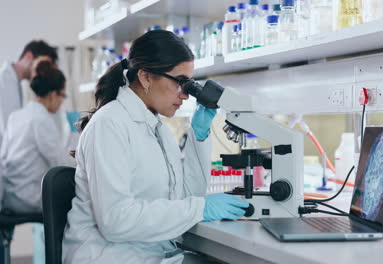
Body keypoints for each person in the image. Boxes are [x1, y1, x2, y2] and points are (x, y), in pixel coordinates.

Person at [62, 30, 249, 263]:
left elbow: (189, 196)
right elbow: (116, 221)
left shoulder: (157, 129)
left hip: (148, 253)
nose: (186, 95)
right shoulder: (109, 125)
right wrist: (200, 208)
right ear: (146, 77)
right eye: (181, 82)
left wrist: (198, 135)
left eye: (189, 84)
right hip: (108, 256)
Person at [0, 58, 75, 213]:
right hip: (29, 199)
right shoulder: (41, 119)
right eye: (62, 96)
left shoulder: (17, 116)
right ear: (53, 95)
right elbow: (60, 161)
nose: (62, 102)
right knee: (80, 202)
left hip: (10, 195)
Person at [0, 40, 58, 148]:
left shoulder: (15, 82)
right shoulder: (4, 81)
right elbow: (8, 132)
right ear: (28, 56)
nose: (42, 72)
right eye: (42, 65)